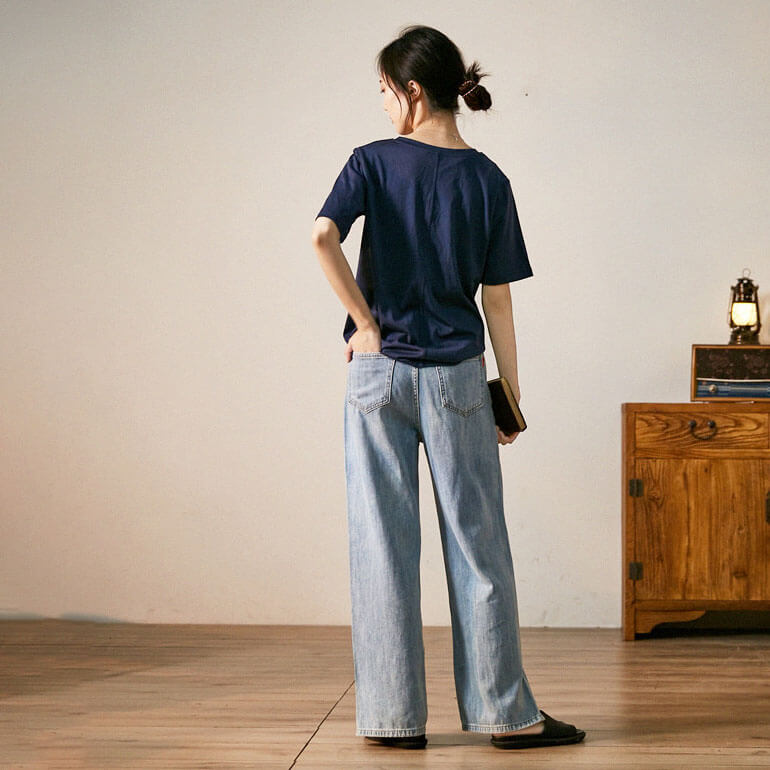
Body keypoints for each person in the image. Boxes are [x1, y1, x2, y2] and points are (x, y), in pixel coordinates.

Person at [310, 24, 586, 752]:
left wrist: (365, 325)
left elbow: (320, 236)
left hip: (376, 378)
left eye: (383, 90)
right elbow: (498, 299)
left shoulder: (372, 162)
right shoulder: (488, 179)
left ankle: (393, 721)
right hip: (458, 377)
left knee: (381, 547)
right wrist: (510, 396)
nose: (380, 104)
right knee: (478, 545)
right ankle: (508, 716)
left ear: (412, 92)